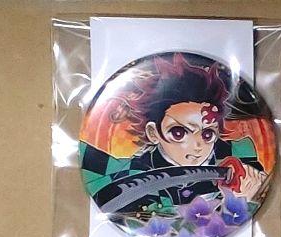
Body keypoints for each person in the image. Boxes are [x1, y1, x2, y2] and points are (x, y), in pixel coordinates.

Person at [81, 53, 268, 218]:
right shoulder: (132, 171)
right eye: (179, 133)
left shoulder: (238, 156)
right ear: (153, 132)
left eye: (207, 134)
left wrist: (246, 199)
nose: (197, 146)